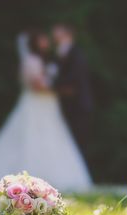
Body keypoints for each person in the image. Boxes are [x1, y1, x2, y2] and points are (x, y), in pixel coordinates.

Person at [0, 30, 92, 191]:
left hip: (48, 105)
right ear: (34, 42)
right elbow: (36, 85)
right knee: (30, 135)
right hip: (36, 104)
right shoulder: (31, 61)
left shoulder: (46, 60)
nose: (46, 42)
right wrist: (58, 88)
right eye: (42, 39)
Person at [52, 24, 93, 154]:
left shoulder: (76, 53)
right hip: (65, 104)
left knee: (76, 143)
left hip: (77, 104)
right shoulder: (58, 53)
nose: (53, 34)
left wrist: (51, 85)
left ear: (66, 34)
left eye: (57, 31)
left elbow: (74, 77)